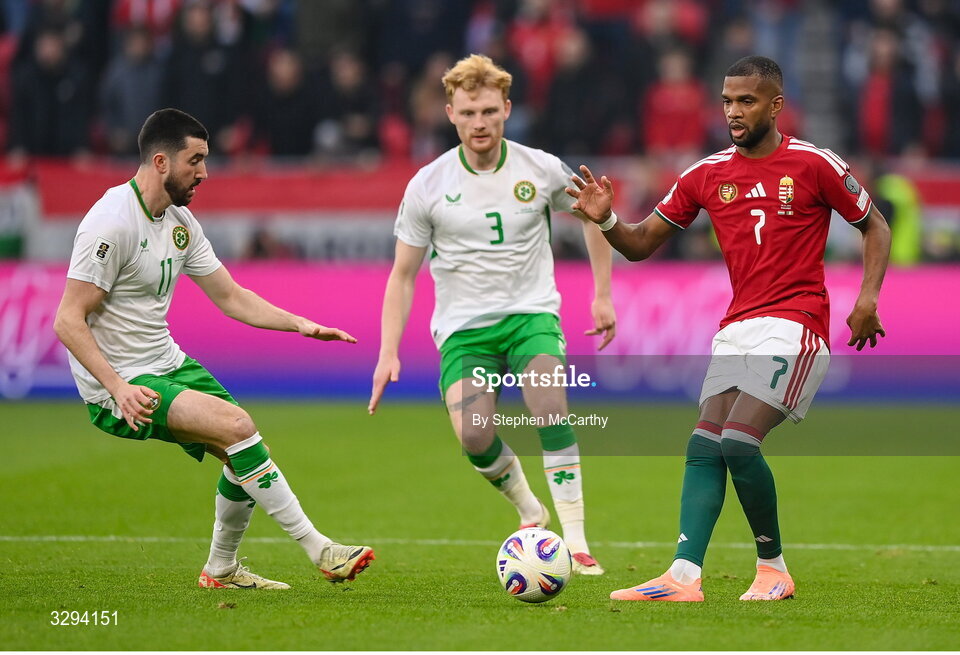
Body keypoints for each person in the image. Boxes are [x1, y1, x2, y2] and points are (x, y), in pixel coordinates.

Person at [567, 56, 891, 601]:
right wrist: (606, 219)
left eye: (746, 101)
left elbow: (875, 226)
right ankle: (682, 577)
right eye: (726, 101)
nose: (734, 112)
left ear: (776, 105)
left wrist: (867, 297)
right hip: (737, 326)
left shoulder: (814, 164)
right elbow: (640, 244)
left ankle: (773, 569)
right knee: (704, 444)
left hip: (796, 323)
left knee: (739, 441)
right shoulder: (706, 174)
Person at [52, 108, 374, 590]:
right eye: (195, 160)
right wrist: (116, 388)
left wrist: (301, 324)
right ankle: (321, 549)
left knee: (244, 450)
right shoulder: (111, 223)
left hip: (167, 362)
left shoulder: (180, 222)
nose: (204, 172)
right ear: (160, 162)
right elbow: (67, 319)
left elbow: (231, 296)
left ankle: (220, 568)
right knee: (238, 427)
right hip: (121, 382)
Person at [368, 54, 616, 575]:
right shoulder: (427, 184)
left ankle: (575, 540)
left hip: (531, 315)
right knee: (474, 437)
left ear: (506, 108)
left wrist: (601, 294)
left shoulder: (540, 168)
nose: (478, 123)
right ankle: (529, 508)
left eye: (488, 111)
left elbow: (592, 216)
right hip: (464, 330)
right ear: (450, 114)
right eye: (467, 113)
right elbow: (403, 275)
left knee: (549, 406)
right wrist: (388, 350)